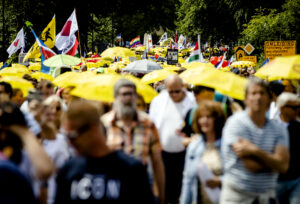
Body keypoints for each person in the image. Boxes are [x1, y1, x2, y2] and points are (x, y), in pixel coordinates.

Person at [55, 99, 154, 204]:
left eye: (73, 136)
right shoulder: (68, 170)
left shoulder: (132, 170)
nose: (70, 143)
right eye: (67, 136)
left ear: (93, 129)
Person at [220, 77, 290, 204]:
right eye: (254, 93)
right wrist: (272, 161)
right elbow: (251, 165)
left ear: (270, 99)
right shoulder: (235, 124)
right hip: (237, 197)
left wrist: (254, 150)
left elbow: (283, 166)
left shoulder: (279, 128)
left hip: (267, 196)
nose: (258, 97)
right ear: (246, 99)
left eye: (262, 93)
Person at [101, 79, 165, 204]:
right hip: (112, 188)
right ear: (115, 98)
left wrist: (161, 195)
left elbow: (157, 161)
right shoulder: (104, 124)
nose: (128, 98)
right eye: (124, 94)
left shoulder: (148, 124)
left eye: (132, 94)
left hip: (141, 188)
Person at [149, 74, 197, 204]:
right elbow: (152, 126)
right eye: (171, 92)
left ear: (183, 87)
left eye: (177, 91)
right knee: (165, 190)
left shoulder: (192, 100)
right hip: (163, 153)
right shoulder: (158, 101)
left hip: (186, 153)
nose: (174, 95)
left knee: (183, 190)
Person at [180, 100, 226, 204]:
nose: (204, 121)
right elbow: (187, 181)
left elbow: (237, 176)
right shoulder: (194, 147)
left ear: (217, 119)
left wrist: (220, 180)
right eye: (201, 117)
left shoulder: (227, 146)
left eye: (209, 117)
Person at [275, 92, 300, 204]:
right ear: (282, 108)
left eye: (298, 107)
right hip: (276, 181)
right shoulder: (270, 127)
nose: (297, 110)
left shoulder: (298, 127)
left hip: (296, 180)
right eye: (294, 107)